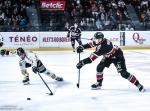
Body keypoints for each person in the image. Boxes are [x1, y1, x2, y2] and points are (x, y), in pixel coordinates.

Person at [76, 32, 145, 92]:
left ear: (101, 39)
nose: (96, 40)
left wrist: (82, 63)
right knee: (99, 67)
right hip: (108, 55)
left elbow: (91, 59)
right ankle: (99, 83)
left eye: (98, 39)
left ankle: (138, 85)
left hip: (117, 55)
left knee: (123, 73)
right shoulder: (100, 41)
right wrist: (82, 47)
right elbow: (91, 44)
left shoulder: (104, 47)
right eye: (96, 39)